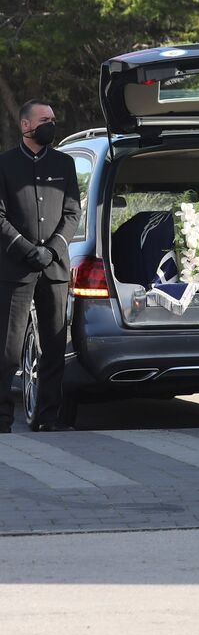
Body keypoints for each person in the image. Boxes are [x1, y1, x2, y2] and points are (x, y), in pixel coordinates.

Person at [0, 100, 80, 434]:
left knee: (54, 343)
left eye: (53, 119)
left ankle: (49, 416)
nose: (51, 123)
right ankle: (3, 417)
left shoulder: (65, 163)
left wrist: (54, 249)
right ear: (25, 125)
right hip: (16, 268)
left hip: (55, 267)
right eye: (44, 119)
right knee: (9, 347)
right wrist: (26, 250)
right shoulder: (4, 164)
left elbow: (73, 212)